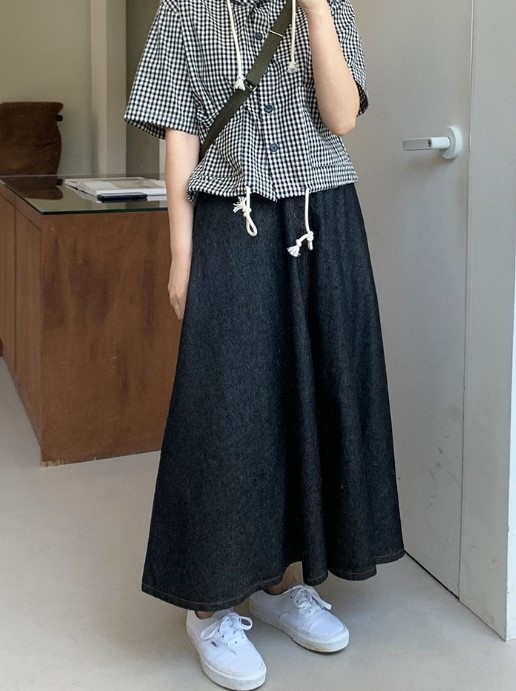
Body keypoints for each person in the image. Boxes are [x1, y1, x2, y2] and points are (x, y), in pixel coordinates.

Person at [125, 0, 405, 688]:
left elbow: (342, 117)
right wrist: (181, 253)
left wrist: (314, 11)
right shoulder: (185, 9)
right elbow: (180, 132)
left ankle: (282, 583)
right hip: (232, 216)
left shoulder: (327, 6)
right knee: (227, 409)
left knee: (310, 395)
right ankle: (210, 604)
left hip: (322, 215)